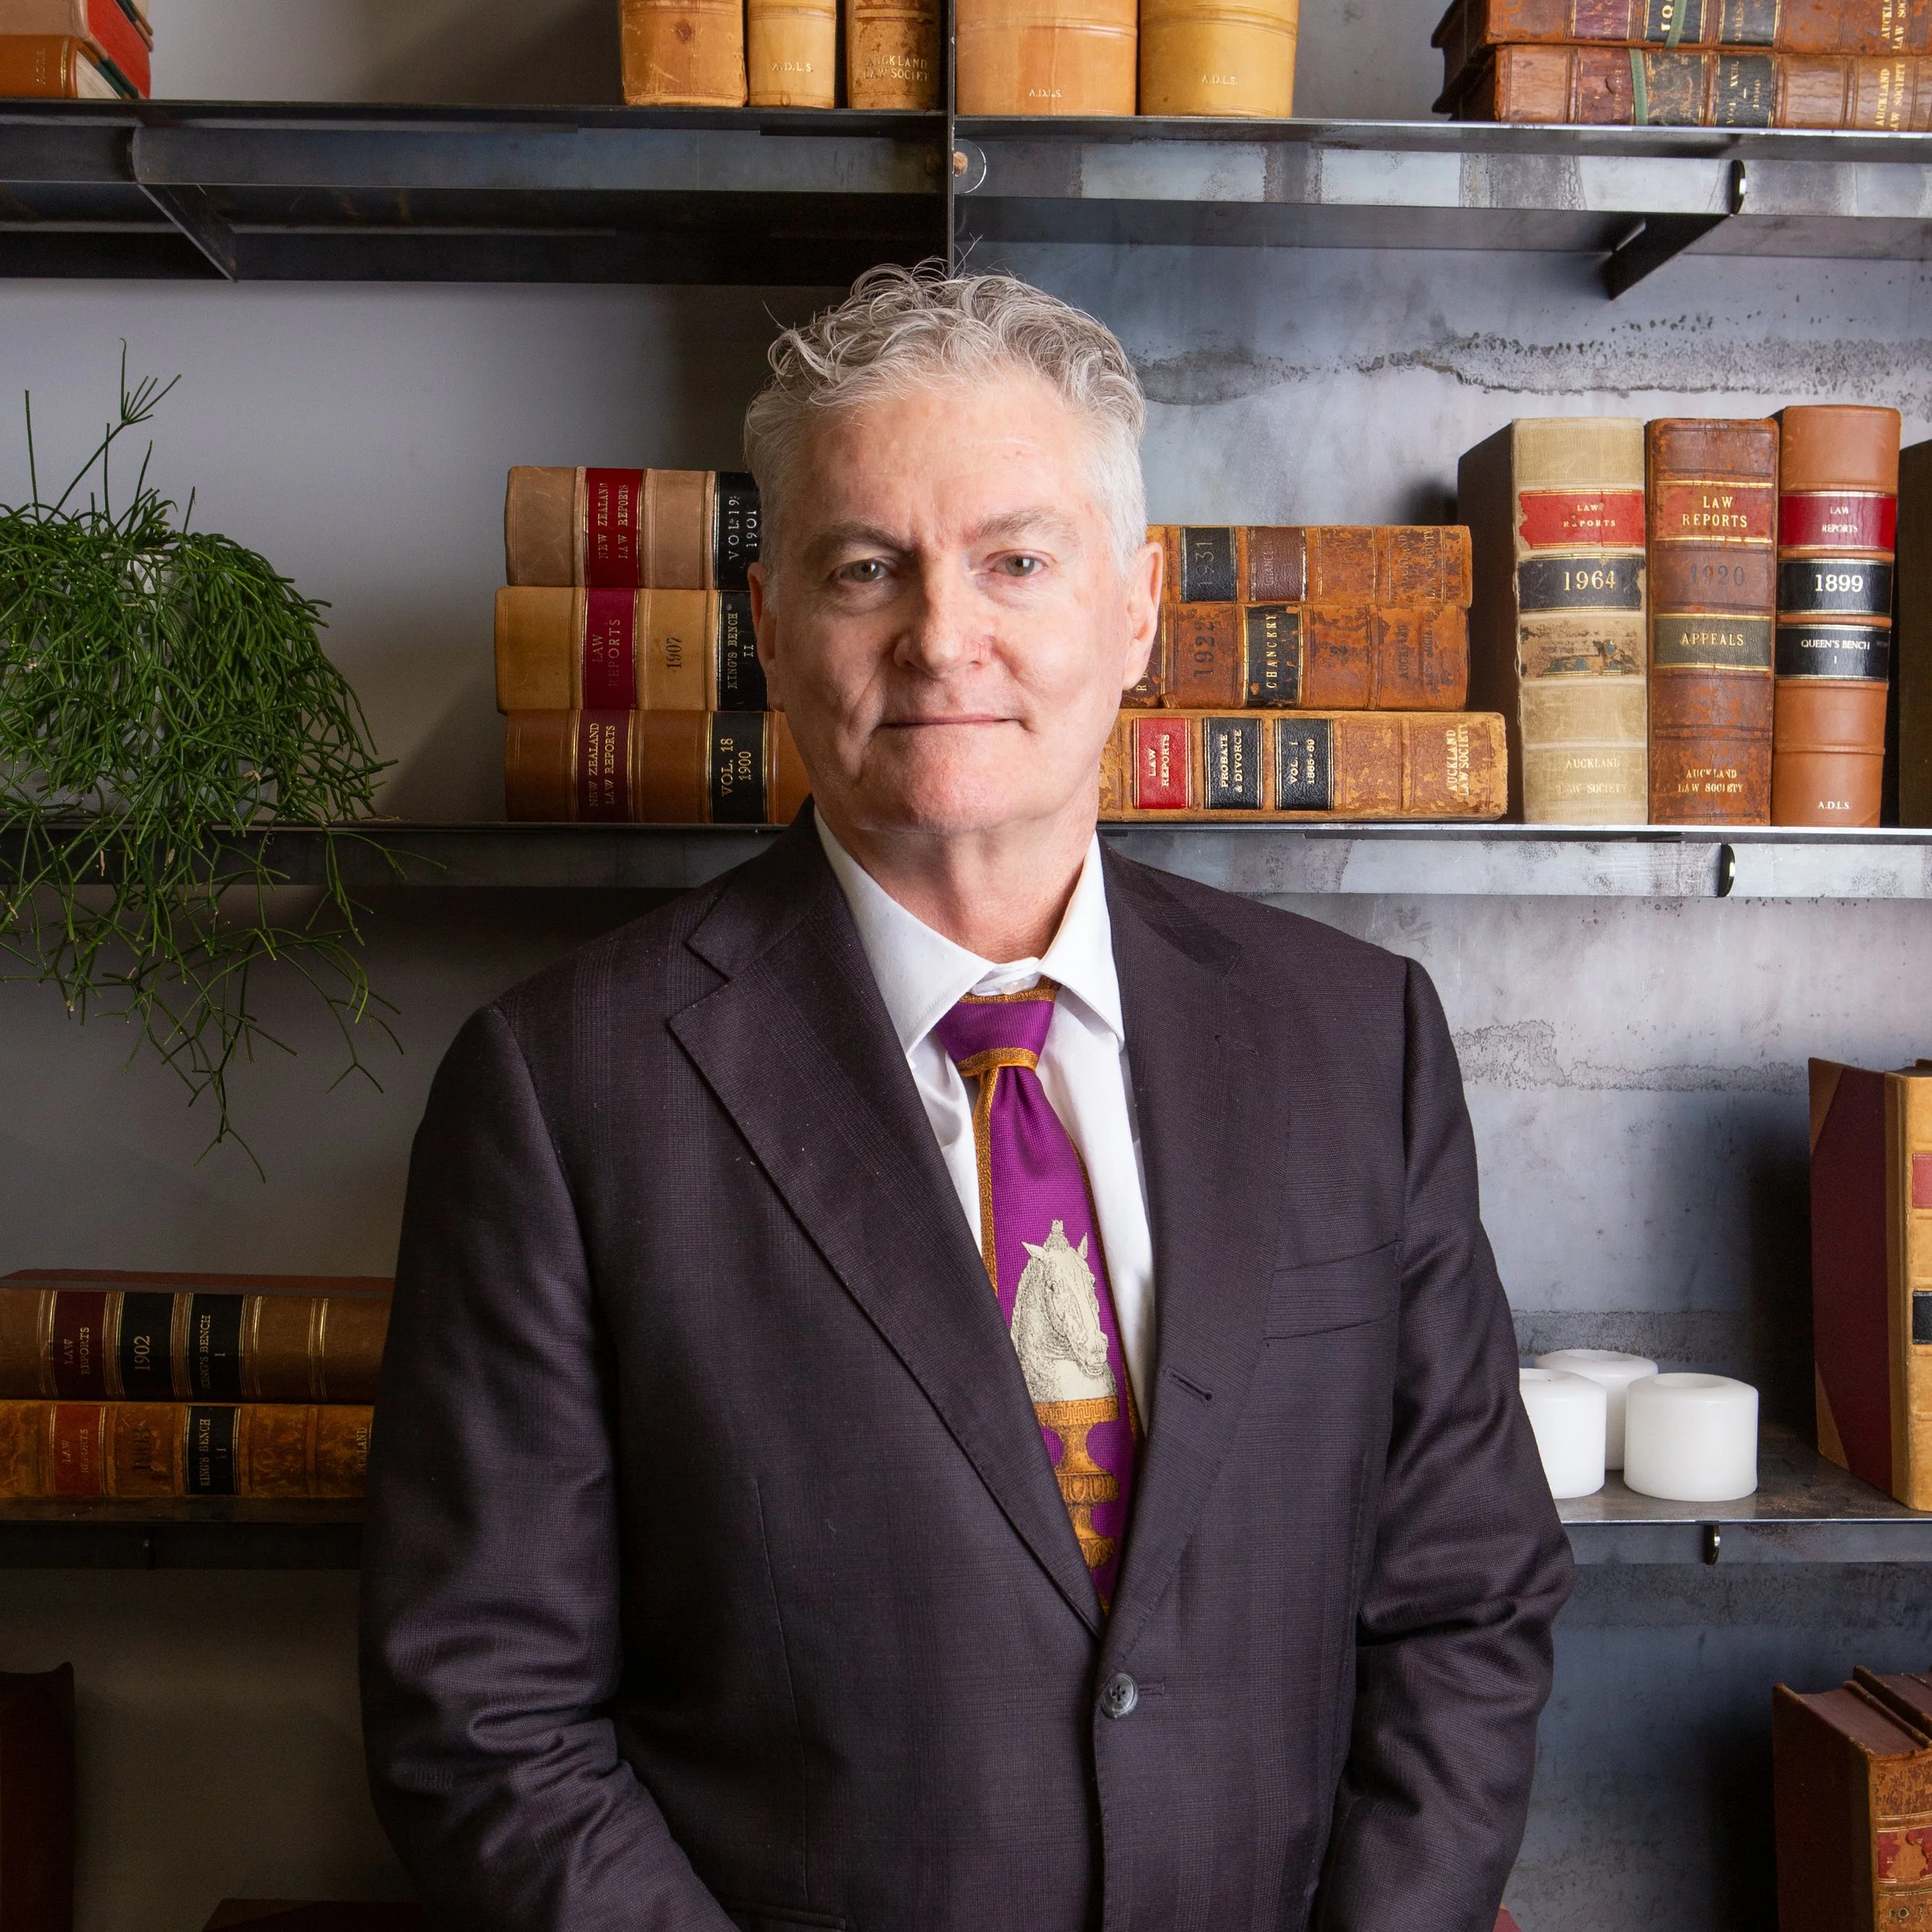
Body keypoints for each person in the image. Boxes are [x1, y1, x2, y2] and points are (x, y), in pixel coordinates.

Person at [360, 265, 1573, 1932]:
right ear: (771, 620)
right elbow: (480, 1715)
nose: (944, 634)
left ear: (1133, 607)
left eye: (1014, 558)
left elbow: (1464, 1599)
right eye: (866, 567)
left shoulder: (1355, 1042)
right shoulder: (558, 1093)